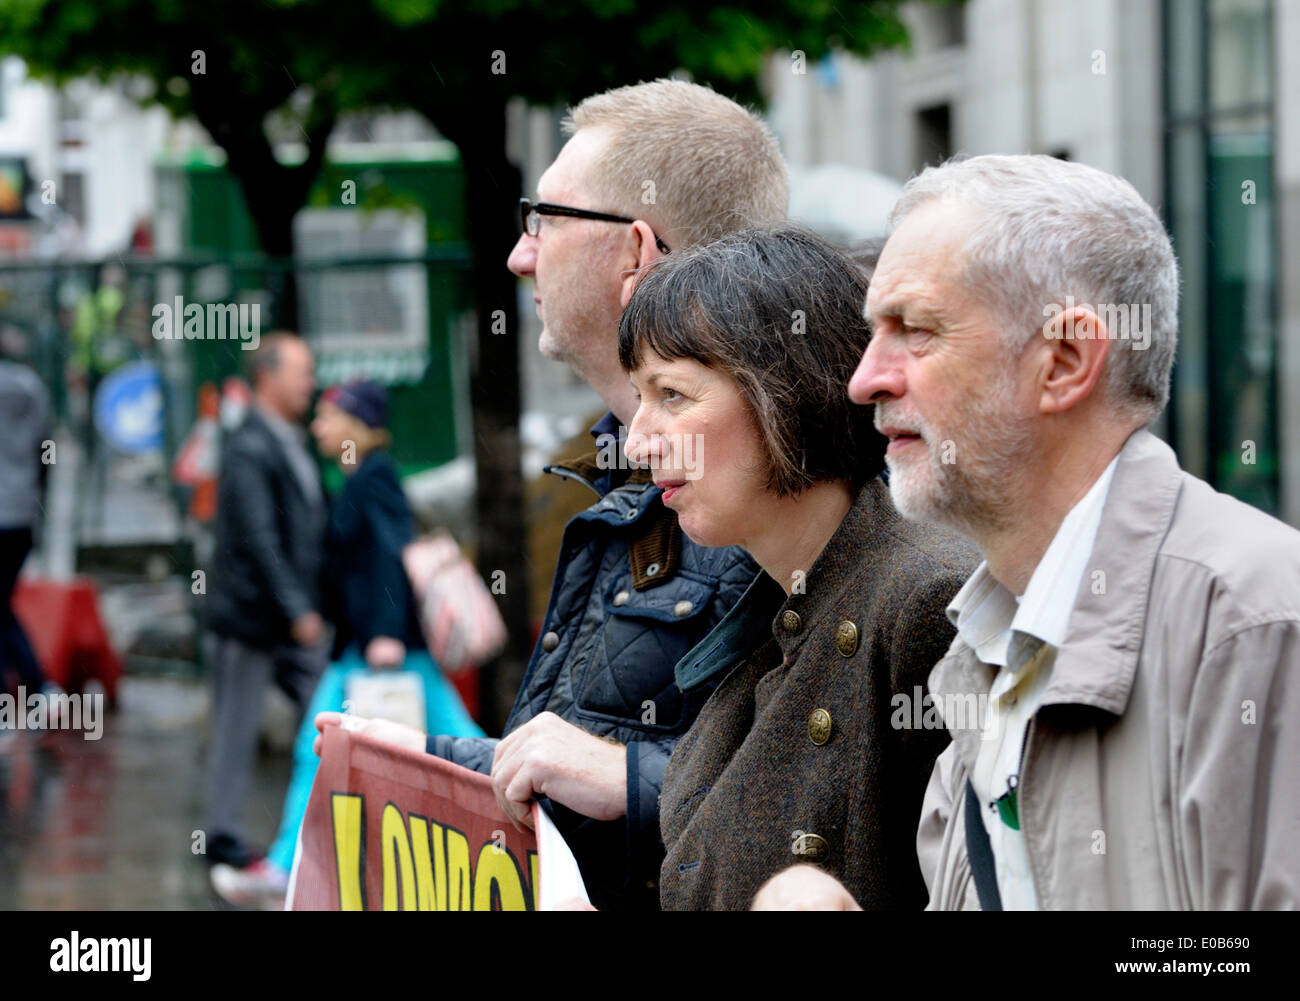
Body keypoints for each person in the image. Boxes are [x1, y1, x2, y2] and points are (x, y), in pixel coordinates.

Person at [759, 153, 1300, 910]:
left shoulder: (1252, 619)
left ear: (1066, 361)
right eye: (871, 332)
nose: (865, 378)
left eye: (914, 330)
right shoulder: (985, 643)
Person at [315, 79, 788, 910]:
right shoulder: (625, 468)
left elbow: (822, 814)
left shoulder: (781, 505)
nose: (519, 253)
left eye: (546, 220)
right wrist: (419, 759)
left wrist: (632, 780)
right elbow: (570, 762)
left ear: (634, 253)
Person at [616, 226, 978, 909]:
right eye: (638, 396)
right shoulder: (774, 597)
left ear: (783, 390)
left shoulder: (928, 599)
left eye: (671, 395)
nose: (637, 440)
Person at [211, 380, 483, 908]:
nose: (318, 427)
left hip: (379, 646)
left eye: (329, 417)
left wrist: (384, 631)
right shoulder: (359, 474)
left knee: (449, 741)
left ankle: (283, 869)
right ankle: (284, 867)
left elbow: (388, 554)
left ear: (356, 424)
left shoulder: (374, 476)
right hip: (369, 645)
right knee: (449, 740)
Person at [204, 333, 329, 882]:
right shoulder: (250, 444)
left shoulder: (286, 438)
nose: (311, 383)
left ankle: (321, 828)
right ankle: (222, 838)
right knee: (236, 727)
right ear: (268, 377)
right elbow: (260, 537)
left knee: (326, 709)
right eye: (301, 372)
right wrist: (297, 607)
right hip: (254, 618)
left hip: (288, 617)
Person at [0, 357, 51, 695]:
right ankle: (39, 689)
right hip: (20, 512)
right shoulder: (32, 386)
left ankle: (36, 687)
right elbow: (46, 450)